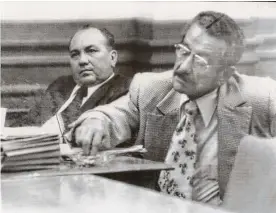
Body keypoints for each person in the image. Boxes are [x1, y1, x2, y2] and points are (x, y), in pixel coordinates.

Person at [69, 11, 276, 204]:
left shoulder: (259, 98)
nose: (183, 67)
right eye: (184, 51)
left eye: (201, 61)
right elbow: (116, 114)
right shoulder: (152, 88)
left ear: (224, 74)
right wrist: (95, 121)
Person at [13, 25, 131, 135]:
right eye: (75, 54)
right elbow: (28, 122)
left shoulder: (125, 91)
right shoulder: (61, 85)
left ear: (112, 58)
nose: (82, 61)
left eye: (91, 51)